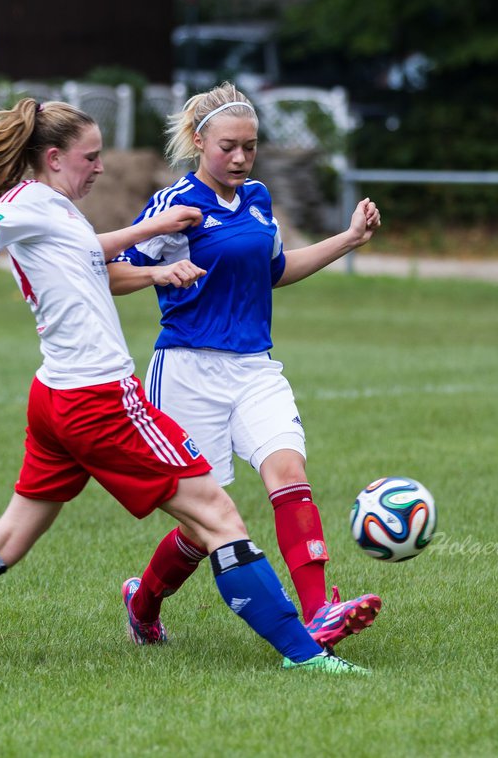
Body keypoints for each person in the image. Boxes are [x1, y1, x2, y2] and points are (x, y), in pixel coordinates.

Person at [0, 98, 367, 676]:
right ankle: (306, 655)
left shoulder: (54, 209)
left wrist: (155, 245)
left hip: (54, 399)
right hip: (101, 400)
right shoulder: (27, 207)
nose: (99, 169)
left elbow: (91, 254)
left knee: (9, 536)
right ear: (54, 157)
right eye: (90, 158)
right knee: (219, 518)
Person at [108, 81, 384, 651]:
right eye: (228, 146)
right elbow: (108, 274)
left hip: (255, 368)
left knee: (289, 473)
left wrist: (349, 239)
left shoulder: (257, 198)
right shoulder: (175, 207)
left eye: (250, 147)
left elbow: (274, 269)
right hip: (187, 370)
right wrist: (159, 273)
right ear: (199, 142)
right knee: (200, 527)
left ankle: (318, 613)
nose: (239, 157)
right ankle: (144, 602)